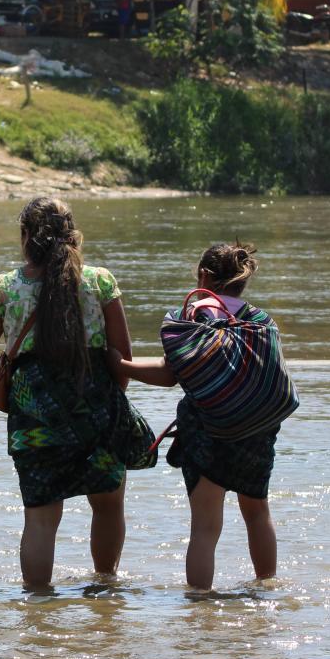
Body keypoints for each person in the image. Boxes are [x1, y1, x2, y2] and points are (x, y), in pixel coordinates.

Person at [0, 196, 153, 589]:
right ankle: (105, 593)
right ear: (72, 234)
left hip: (33, 414)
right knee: (107, 505)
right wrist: (105, 406)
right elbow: (122, 356)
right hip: (97, 407)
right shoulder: (100, 281)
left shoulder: (6, 287)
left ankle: (37, 607)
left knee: (40, 517)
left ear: (25, 237)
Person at [109, 244, 282, 591]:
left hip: (208, 432)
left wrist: (121, 366)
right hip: (256, 431)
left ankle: (200, 609)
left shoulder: (194, 319)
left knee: (204, 527)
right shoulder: (261, 322)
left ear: (203, 276)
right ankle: (266, 594)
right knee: (258, 514)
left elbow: (169, 373)